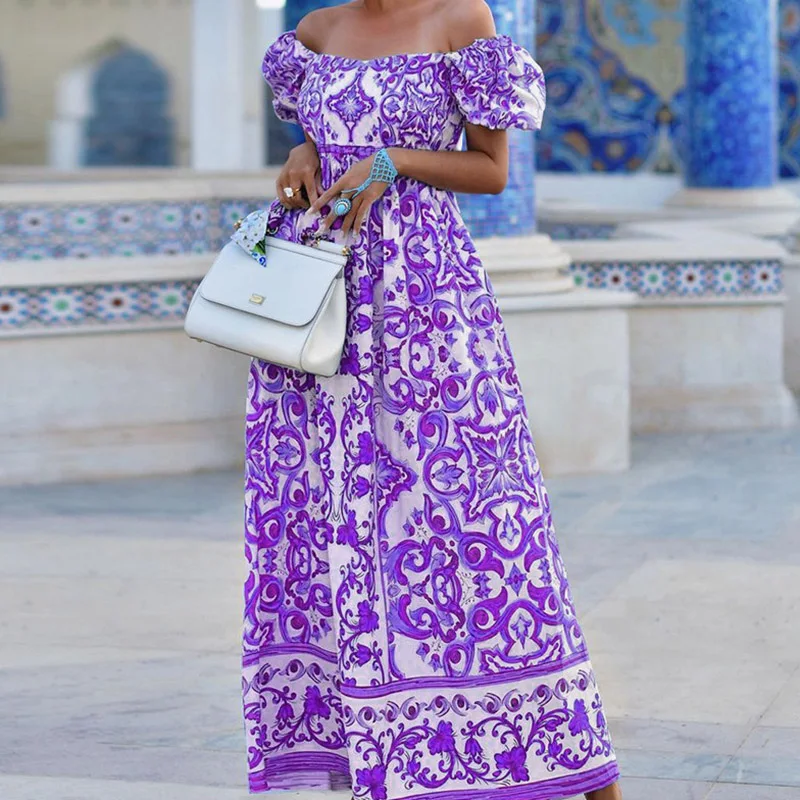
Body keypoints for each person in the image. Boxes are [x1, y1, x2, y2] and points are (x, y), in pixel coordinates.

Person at [241, 1, 623, 798]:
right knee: (335, 520)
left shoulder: (461, 17)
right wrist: (303, 152)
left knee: (481, 514)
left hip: (426, 302)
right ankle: (384, 749)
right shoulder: (315, 31)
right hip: (322, 309)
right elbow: (320, 131)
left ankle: (574, 760)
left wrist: (391, 164)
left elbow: (492, 170)